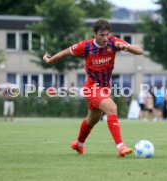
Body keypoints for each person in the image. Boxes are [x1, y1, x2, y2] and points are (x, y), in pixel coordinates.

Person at [42, 19, 143, 157]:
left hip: (105, 89)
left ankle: (78, 144)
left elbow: (139, 51)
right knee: (112, 108)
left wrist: (126, 47)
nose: (105, 38)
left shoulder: (113, 42)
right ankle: (121, 146)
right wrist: (50, 60)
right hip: (92, 88)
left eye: (107, 34)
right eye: (102, 35)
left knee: (92, 119)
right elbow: (66, 52)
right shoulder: (86, 46)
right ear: (94, 34)